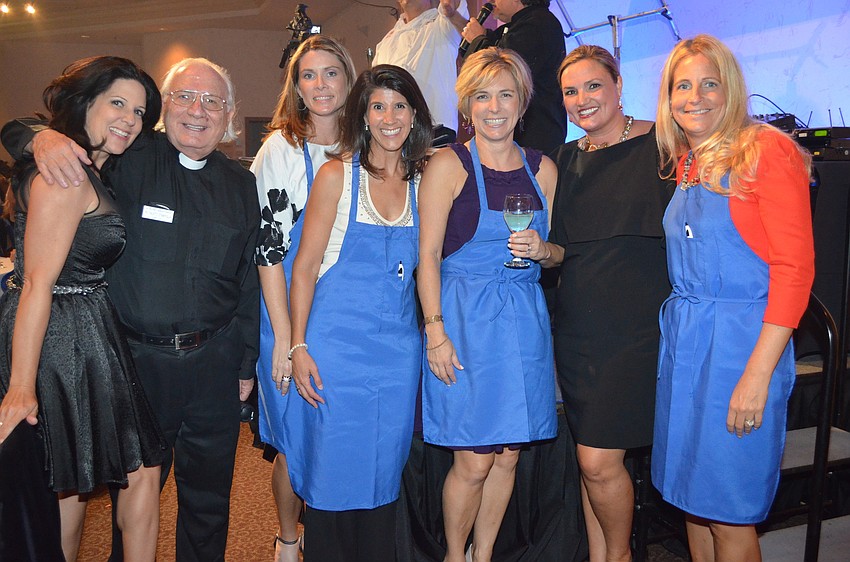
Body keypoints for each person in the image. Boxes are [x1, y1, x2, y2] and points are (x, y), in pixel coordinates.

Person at [2, 57, 261, 562]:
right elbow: (43, 127)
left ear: (229, 116)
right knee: (135, 496)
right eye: (185, 97)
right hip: (134, 364)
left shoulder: (240, 183)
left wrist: (245, 365)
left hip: (214, 365)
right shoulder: (130, 155)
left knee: (210, 501)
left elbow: (247, 279)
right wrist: (41, 139)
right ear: (165, 110)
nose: (198, 111)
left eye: (213, 101)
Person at [653, 34, 814, 561]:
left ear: (731, 90)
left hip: (740, 349)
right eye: (682, 86)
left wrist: (756, 376)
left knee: (728, 510)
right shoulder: (686, 163)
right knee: (691, 501)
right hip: (687, 347)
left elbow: (794, 270)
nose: (695, 97)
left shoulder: (766, 150)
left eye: (709, 84)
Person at [0, 56, 165, 562]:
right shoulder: (67, 175)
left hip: (83, 331)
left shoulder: (85, 166)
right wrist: (21, 387)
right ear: (85, 102)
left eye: (139, 112)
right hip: (60, 339)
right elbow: (37, 284)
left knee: (71, 482)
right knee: (123, 472)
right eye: (117, 103)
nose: (129, 120)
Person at [285, 64, 432, 561]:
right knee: (331, 469)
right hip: (335, 351)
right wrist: (298, 345)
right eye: (378, 106)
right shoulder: (337, 176)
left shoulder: (424, 183)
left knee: (384, 472)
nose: (389, 117)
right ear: (363, 116)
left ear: (415, 115)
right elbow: (303, 269)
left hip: (396, 358)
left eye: (399, 106)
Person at [418, 47, 558, 562]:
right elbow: (427, 257)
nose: (494, 108)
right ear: (466, 106)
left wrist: (544, 250)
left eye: (506, 95)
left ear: (523, 103)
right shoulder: (447, 165)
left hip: (523, 323)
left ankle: (485, 554)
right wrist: (435, 331)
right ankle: (456, 555)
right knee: (475, 461)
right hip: (465, 322)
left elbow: (559, 252)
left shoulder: (543, 170)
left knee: (508, 458)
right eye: (482, 96)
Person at [546, 45, 674, 562]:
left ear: (619, 85)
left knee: (598, 461)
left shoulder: (664, 144)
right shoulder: (564, 160)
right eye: (570, 91)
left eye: (593, 85)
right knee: (590, 461)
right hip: (578, 329)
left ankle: (619, 556)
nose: (582, 99)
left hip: (638, 328)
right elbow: (558, 250)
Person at [251, 34, 356, 562]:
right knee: (295, 437)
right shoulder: (282, 148)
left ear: (349, 79)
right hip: (288, 307)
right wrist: (284, 337)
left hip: (348, 310)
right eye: (308, 75)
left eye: (330, 73)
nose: (320, 85)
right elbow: (268, 250)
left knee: (337, 431)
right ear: (295, 87)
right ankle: (288, 541)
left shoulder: (367, 143)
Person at [460, 0, 566, 154]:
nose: (491, 1)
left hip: (535, 136)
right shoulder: (518, 26)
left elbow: (502, 74)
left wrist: (478, 40)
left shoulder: (537, 24)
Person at [372, 0, 468, 135]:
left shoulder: (442, 25)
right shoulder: (385, 43)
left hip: (435, 131)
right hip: (394, 133)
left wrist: (450, 11)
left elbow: (454, 9)